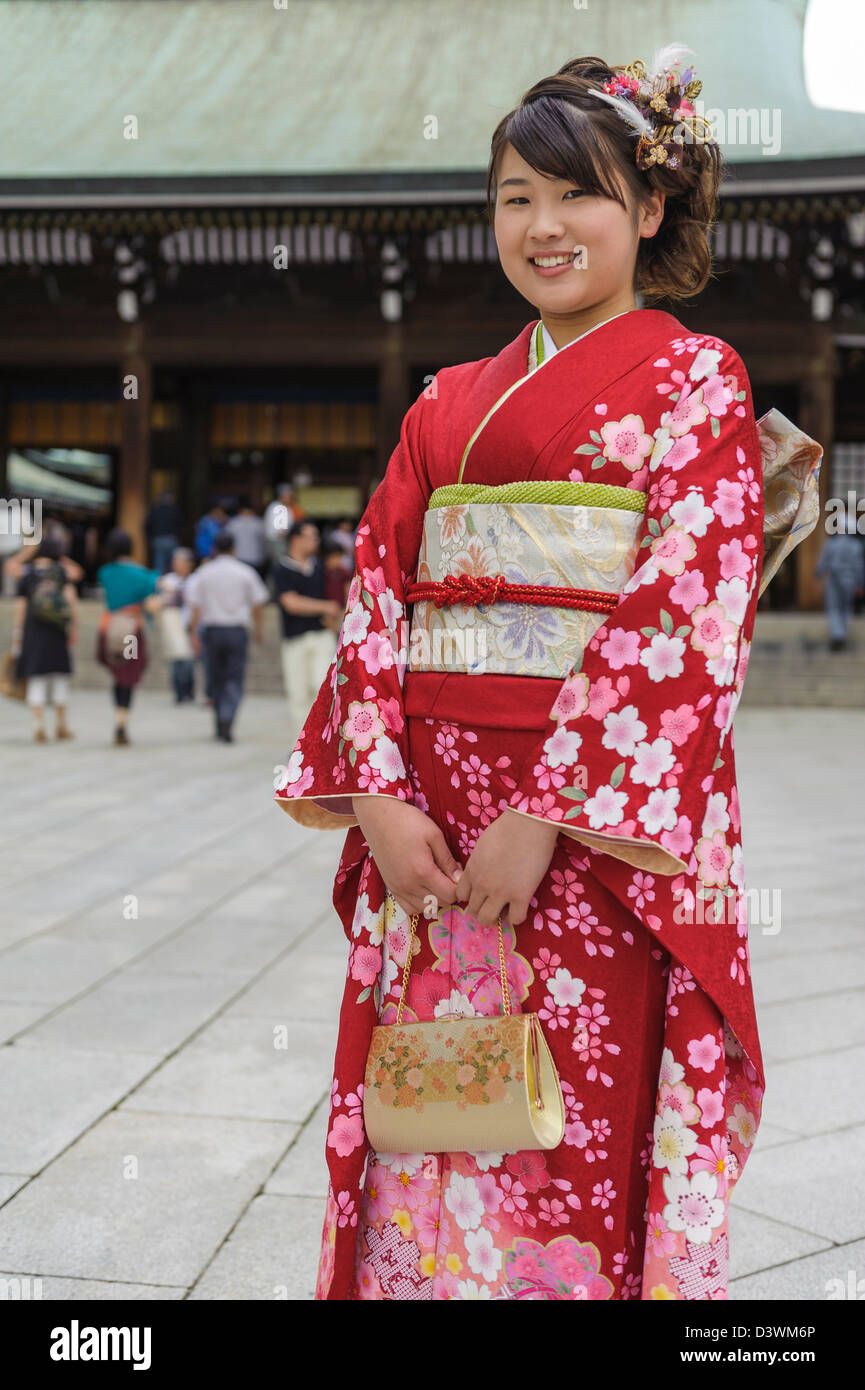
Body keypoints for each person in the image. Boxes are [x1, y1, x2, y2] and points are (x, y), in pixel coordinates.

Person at [273, 47, 825, 1303]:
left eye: (577, 194)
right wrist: (377, 792)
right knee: (431, 1106)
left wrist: (548, 813)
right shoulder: (443, 405)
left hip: (589, 836)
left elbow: (686, 610)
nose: (543, 226)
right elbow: (378, 595)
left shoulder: (697, 380)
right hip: (429, 814)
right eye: (516, 195)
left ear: (647, 208)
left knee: (572, 1114)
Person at [185, 530, 269, 742]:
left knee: (215, 676)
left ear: (214, 549)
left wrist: (193, 632)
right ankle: (227, 718)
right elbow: (258, 603)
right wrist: (259, 628)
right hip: (236, 631)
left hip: (212, 630)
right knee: (234, 677)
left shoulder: (204, 572)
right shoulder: (245, 572)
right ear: (234, 548)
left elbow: (195, 606)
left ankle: (219, 720)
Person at [272, 521, 342, 743]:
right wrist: (324, 606)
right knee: (298, 694)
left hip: (322, 636)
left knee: (322, 689)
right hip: (294, 640)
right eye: (310, 536)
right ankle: (300, 748)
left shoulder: (321, 567)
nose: (315, 540)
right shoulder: (282, 568)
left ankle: (323, 746)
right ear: (296, 539)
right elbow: (290, 603)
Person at [96, 528, 163, 745]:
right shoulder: (142, 574)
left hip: (108, 628)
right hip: (131, 632)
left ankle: (119, 716)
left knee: (118, 675)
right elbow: (156, 587)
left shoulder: (105, 572)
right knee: (128, 674)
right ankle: (122, 720)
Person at [10, 535, 78, 743]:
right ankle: (61, 725)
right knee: (59, 678)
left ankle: (38, 725)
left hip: (33, 632)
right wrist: (73, 627)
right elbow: (74, 589)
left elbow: (21, 607)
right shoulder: (59, 573)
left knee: (36, 678)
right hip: (57, 632)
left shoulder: (28, 574)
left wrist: (18, 634)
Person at [815, 521, 864, 651]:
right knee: (845, 608)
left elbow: (823, 562)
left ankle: (838, 635)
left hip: (835, 579)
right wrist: (860, 584)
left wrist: (818, 574)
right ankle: (842, 633)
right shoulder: (856, 545)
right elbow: (859, 566)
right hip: (851, 580)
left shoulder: (831, 543)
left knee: (834, 608)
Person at [157, 547, 197, 702]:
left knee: (189, 660)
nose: (177, 564)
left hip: (190, 622)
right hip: (172, 625)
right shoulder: (167, 580)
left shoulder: (196, 580)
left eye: (180, 561)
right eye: (175, 561)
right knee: (175, 659)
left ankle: (189, 690)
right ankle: (178, 692)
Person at [264, 483, 305, 576]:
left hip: (280, 542)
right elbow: (281, 531)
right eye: (289, 496)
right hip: (278, 542)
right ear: (282, 495)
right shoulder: (278, 507)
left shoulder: (285, 507)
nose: (291, 498)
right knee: (279, 567)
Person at [224, 495, 267, 576]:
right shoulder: (258, 523)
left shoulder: (233, 523)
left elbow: (227, 540)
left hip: (238, 557)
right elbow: (264, 540)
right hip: (255, 558)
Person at [145, 488, 184, 574]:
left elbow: (147, 525)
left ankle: (160, 584)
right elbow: (181, 523)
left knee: (159, 565)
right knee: (174, 565)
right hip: (171, 539)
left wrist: (151, 537)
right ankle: (172, 584)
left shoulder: (155, 508)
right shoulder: (175, 509)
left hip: (158, 539)